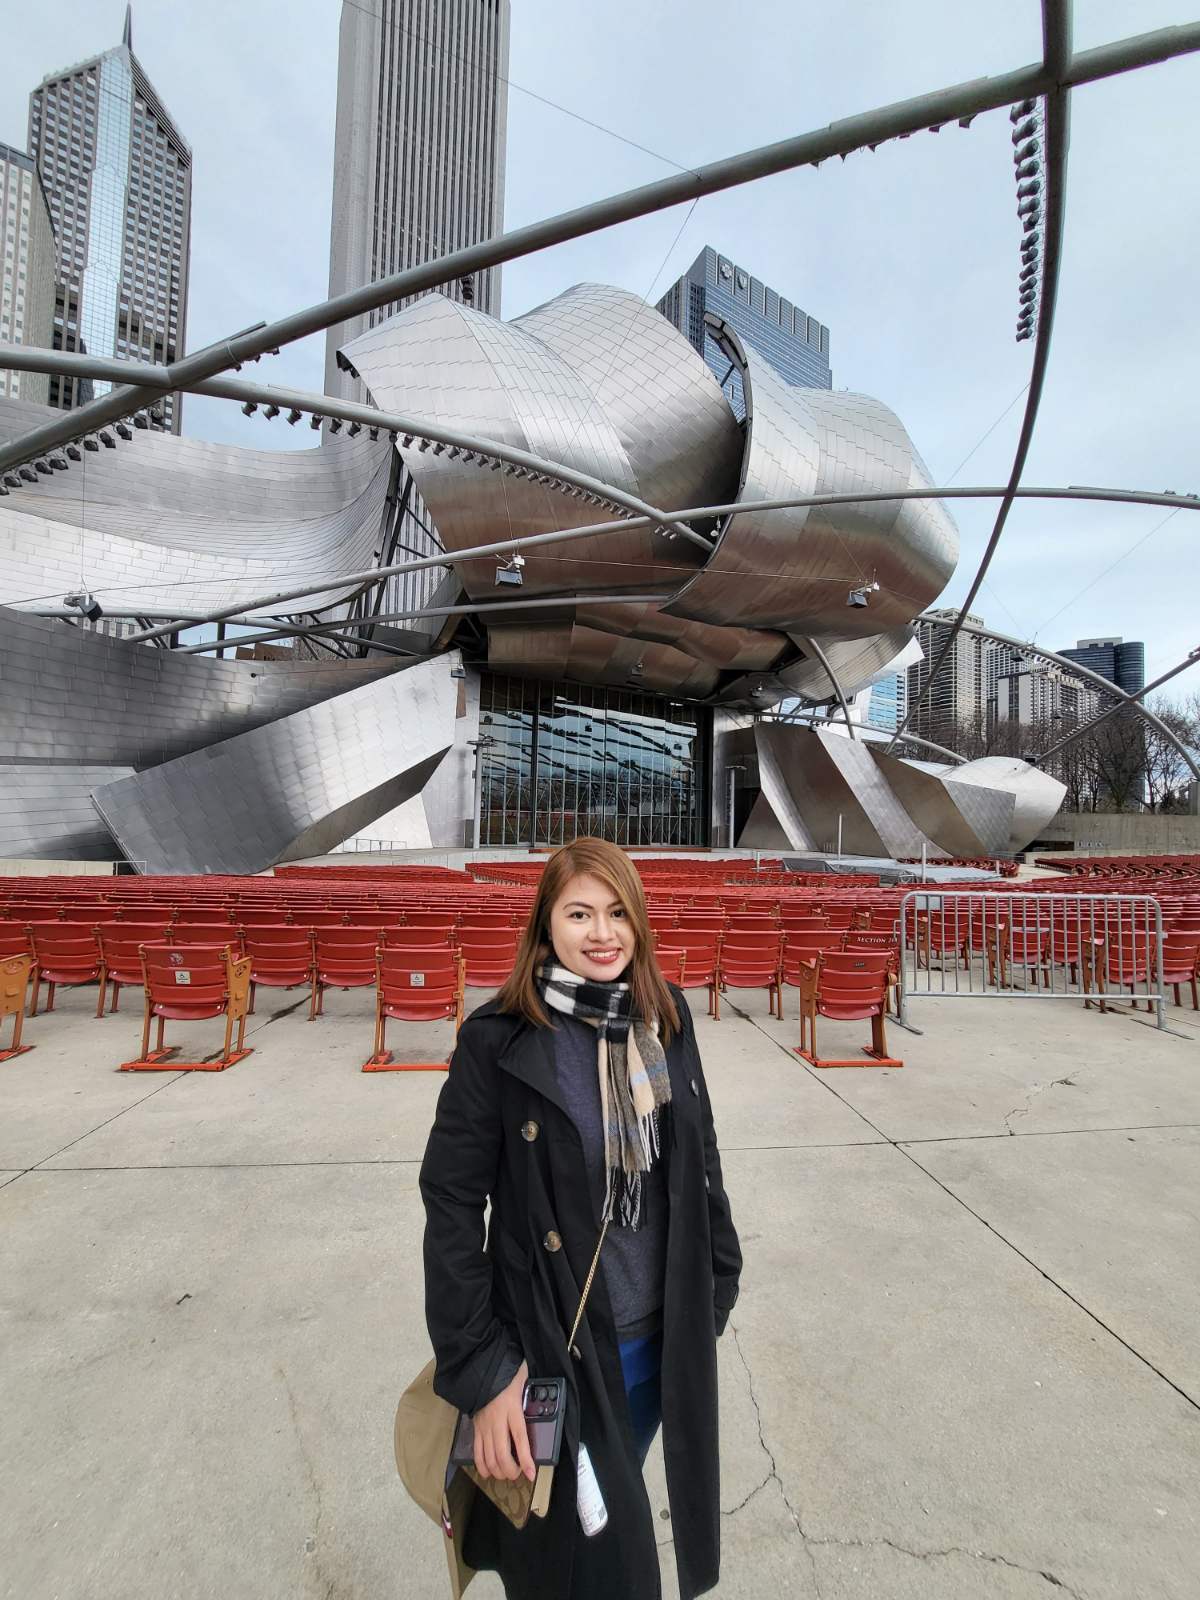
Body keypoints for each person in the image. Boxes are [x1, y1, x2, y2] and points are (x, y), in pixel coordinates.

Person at [419, 837, 742, 1600]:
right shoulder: (498, 1041)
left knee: (603, 1512)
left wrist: (719, 1277)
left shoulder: (664, 1017)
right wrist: (486, 1375)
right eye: (579, 913)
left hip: (659, 1342)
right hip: (557, 1352)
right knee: (588, 1560)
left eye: (617, 912)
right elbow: (452, 1206)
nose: (602, 934)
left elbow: (699, 1153)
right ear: (547, 925)